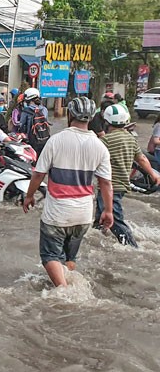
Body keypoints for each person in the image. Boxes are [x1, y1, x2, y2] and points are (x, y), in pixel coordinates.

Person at [23, 96, 113, 287]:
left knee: (49, 255)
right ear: (91, 117)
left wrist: (29, 196)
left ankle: (64, 292)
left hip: (58, 212)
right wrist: (108, 210)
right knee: (70, 256)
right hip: (83, 214)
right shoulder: (100, 146)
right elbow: (105, 183)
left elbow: (38, 174)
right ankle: (68, 281)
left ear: (70, 114)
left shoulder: (55, 141)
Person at [96, 104, 160, 247]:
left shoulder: (104, 141)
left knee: (115, 220)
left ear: (106, 122)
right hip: (122, 185)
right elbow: (142, 159)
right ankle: (96, 239)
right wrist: (153, 175)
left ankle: (132, 246)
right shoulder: (131, 139)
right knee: (100, 218)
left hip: (109, 187)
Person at [19, 87, 50, 154]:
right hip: (44, 139)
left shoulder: (26, 111)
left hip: (31, 140)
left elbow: (21, 125)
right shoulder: (44, 109)